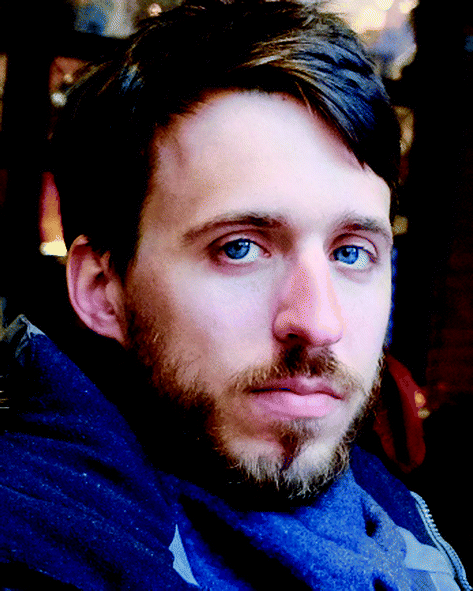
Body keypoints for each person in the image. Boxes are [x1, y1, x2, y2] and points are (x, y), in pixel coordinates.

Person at [0, 1, 470, 589]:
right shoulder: (35, 544)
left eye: (351, 252)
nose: (320, 323)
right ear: (102, 290)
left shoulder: (388, 506)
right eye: (240, 248)